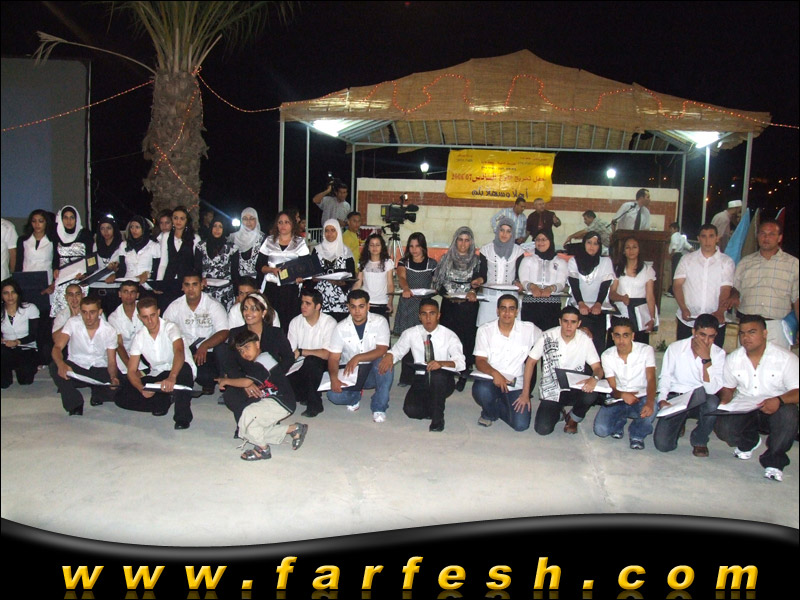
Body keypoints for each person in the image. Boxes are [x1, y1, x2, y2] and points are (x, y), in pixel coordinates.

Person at [714, 314, 798, 482]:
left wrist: (779, 401)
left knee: (789, 415)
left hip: (776, 407)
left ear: (765, 333)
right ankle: (749, 441)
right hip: (746, 408)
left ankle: (774, 461)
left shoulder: (785, 358)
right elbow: (728, 389)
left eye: (752, 332)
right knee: (723, 427)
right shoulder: (733, 359)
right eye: (742, 333)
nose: (746, 337)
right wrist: (723, 405)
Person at [217, 329, 306, 461]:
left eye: (247, 347)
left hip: (281, 401)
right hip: (272, 399)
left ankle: (262, 450)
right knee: (247, 426)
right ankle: (293, 429)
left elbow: (247, 382)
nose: (244, 353)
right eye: (241, 351)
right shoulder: (258, 361)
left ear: (257, 344)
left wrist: (226, 381)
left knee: (248, 415)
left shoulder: (264, 360)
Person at [378, 298, 464, 432]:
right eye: (424, 314)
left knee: (437, 376)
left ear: (439, 315)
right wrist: (389, 355)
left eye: (432, 314)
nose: (428, 318)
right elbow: (397, 351)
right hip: (421, 378)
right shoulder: (411, 333)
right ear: (419, 316)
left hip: (443, 380)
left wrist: (440, 363)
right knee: (411, 410)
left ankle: (438, 419)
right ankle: (434, 404)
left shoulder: (449, 335)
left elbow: (460, 363)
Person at [115, 296, 196, 429]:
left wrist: (172, 377)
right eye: (145, 317)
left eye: (152, 315)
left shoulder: (170, 327)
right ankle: (163, 400)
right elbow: (131, 370)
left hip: (177, 369)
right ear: (139, 317)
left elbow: (179, 352)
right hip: (157, 374)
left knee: (184, 371)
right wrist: (142, 389)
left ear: (158, 312)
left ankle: (182, 418)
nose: (150, 320)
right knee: (121, 396)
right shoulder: (139, 337)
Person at [521, 306, 603, 436]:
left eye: (573, 322)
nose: (569, 326)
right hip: (552, 390)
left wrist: (595, 378)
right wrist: (525, 393)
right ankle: (559, 413)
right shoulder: (547, 336)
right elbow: (530, 362)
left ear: (579, 323)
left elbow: (598, 368)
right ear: (560, 321)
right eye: (565, 321)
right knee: (542, 429)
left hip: (576, 389)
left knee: (592, 393)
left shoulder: (585, 339)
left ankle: (574, 418)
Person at [653, 313, 726, 457]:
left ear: (716, 335)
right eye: (702, 335)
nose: (706, 341)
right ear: (694, 332)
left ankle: (700, 439)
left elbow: (711, 389)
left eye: (711, 336)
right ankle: (680, 422)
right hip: (677, 397)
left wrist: (706, 360)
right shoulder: (675, 348)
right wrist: (662, 399)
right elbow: (666, 376)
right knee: (663, 445)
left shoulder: (719, 354)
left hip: (701, 398)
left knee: (713, 403)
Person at [473, 295, 540, 432]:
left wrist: (580, 331)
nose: (507, 313)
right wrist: (495, 373)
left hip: (515, 383)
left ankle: (499, 405)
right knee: (481, 391)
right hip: (491, 380)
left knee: (521, 425)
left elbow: (550, 337)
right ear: (497, 311)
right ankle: (489, 413)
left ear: (517, 311)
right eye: (503, 308)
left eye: (511, 309)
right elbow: (479, 361)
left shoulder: (529, 329)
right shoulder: (485, 330)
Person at [728, 219, 799, 349]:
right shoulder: (745, 262)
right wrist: (734, 294)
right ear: (757, 236)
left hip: (777, 327)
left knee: (778, 362)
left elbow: (797, 300)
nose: (766, 238)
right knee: (744, 361)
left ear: (779, 238)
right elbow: (735, 289)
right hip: (748, 326)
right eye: (762, 233)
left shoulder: (793, 264)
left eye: (771, 234)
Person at [326, 290, 392, 422]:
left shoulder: (380, 321)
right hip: (351, 373)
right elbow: (333, 358)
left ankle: (379, 407)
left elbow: (382, 349)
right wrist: (333, 378)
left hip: (373, 371)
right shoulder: (340, 327)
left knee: (385, 361)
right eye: (353, 307)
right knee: (333, 396)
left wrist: (358, 357)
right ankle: (355, 396)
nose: (357, 311)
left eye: (361, 306)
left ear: (368, 306)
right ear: (348, 307)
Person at [433, 226, 486, 390]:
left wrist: (473, 290)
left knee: (467, 340)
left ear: (471, 242)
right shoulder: (446, 258)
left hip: (468, 307)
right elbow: (437, 282)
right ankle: (447, 372)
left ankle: (463, 373)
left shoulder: (477, 261)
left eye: (467, 240)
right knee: (448, 339)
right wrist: (448, 293)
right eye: (460, 240)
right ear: (455, 241)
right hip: (450, 306)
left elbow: (481, 280)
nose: (463, 244)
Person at [49, 295, 120, 415]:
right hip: (76, 366)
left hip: (99, 367)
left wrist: (113, 377)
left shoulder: (109, 331)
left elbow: (112, 361)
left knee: (120, 386)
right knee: (54, 366)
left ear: (99, 312)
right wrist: (61, 364)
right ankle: (75, 404)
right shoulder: (72, 323)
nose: (88, 317)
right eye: (84, 312)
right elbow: (57, 348)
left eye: (92, 312)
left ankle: (98, 392)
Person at [593, 317, 657, 449]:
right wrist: (623, 395)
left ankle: (637, 434)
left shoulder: (646, 350)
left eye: (625, 335)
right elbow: (613, 388)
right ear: (612, 336)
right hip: (618, 398)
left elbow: (651, 379)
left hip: (641, 396)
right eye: (617, 335)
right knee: (600, 430)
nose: (621, 340)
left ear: (633, 336)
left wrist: (650, 402)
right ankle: (619, 422)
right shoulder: (607, 355)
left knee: (653, 409)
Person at [163, 272, 229, 395]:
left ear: (202, 285)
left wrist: (205, 345)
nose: (191, 289)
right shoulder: (175, 306)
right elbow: (164, 329)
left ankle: (210, 381)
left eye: (194, 284)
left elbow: (224, 331)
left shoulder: (213, 305)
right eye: (187, 285)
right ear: (182, 287)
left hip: (207, 351)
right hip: (184, 350)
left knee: (207, 376)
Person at [672, 224, 735, 347]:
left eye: (711, 236)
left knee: (713, 357)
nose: (707, 241)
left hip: (715, 321)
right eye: (703, 236)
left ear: (717, 238)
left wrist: (720, 311)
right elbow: (677, 285)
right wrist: (683, 308)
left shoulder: (726, 262)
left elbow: (726, 288)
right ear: (698, 238)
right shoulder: (686, 259)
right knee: (683, 356)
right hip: (688, 321)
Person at [393, 232, 438, 386]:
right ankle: (405, 377)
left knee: (424, 341)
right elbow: (402, 277)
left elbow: (436, 282)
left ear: (423, 247)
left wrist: (435, 289)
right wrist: (406, 289)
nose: (414, 249)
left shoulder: (432, 264)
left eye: (417, 246)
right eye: (411, 246)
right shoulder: (403, 261)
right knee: (407, 340)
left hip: (424, 307)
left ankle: (423, 375)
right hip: (408, 304)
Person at [286, 289, 337, 418]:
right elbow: (290, 352)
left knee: (312, 362)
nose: (303, 306)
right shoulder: (295, 322)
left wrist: (302, 351)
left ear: (318, 306)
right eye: (302, 302)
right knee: (288, 387)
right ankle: (305, 395)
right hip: (300, 364)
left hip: (323, 363)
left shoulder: (329, 322)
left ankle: (315, 405)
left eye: (307, 303)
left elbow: (328, 354)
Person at [220, 291, 294, 380]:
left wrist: (275, 375)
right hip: (243, 380)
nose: (248, 313)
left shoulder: (275, 333)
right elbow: (230, 363)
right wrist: (245, 382)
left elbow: (289, 357)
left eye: (253, 309)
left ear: (263, 312)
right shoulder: (235, 333)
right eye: (245, 308)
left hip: (270, 380)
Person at [256, 210, 308, 332]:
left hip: (290, 289)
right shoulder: (269, 241)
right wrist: (271, 269)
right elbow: (259, 266)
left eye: (286, 222)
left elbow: (306, 267)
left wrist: (302, 277)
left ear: (292, 224)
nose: (283, 225)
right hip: (272, 288)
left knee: (288, 324)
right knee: (270, 322)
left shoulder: (300, 242)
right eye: (280, 222)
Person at [567, 231, 614, 356]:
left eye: (595, 243)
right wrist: (581, 303)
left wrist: (598, 304)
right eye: (589, 242)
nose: (592, 246)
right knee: (578, 347)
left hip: (599, 309)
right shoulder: (574, 261)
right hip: (578, 307)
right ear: (584, 244)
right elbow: (574, 284)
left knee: (597, 347)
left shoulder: (605, 262)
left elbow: (605, 285)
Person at [516, 229, 568, 333]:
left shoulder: (560, 262)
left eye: (544, 239)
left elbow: (561, 283)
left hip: (552, 307)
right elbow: (524, 279)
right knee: (530, 336)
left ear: (550, 241)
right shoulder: (527, 260)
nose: (540, 242)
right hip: (531, 305)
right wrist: (532, 287)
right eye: (537, 240)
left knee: (549, 337)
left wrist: (550, 288)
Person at [608, 236, 657, 344]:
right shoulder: (617, 269)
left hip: (640, 316)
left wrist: (652, 318)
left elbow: (650, 296)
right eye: (628, 247)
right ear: (624, 251)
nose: (631, 250)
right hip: (621, 313)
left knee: (639, 346)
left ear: (639, 250)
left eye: (634, 247)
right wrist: (621, 298)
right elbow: (612, 293)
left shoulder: (647, 269)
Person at [477, 218, 524, 327]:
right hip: (489, 299)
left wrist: (518, 282)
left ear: (512, 233)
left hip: (510, 300)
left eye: (508, 231)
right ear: (497, 231)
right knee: (486, 330)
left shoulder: (518, 251)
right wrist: (479, 280)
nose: (504, 234)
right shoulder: (486, 250)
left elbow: (518, 275)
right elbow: (483, 273)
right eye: (502, 230)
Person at [50, 205, 93, 318]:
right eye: (65, 217)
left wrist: (86, 274)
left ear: (76, 219)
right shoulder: (56, 234)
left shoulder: (85, 234)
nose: (68, 221)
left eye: (72, 218)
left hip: (80, 278)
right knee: (62, 313)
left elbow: (90, 258)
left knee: (82, 313)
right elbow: (55, 256)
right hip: (63, 278)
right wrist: (55, 268)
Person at [14, 209, 56, 325]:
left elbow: (57, 264)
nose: (37, 224)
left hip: (46, 285)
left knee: (44, 320)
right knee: (27, 319)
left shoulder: (53, 241)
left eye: (41, 221)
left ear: (46, 222)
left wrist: (53, 283)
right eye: (34, 221)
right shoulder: (23, 240)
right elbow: (19, 264)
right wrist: (17, 285)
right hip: (26, 285)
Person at [155, 206, 201, 310]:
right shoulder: (166, 236)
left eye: (182, 218)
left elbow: (197, 264)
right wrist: (159, 283)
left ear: (186, 220)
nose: (178, 221)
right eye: (175, 218)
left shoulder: (195, 238)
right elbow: (163, 262)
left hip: (186, 283)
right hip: (169, 280)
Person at [310, 219, 356, 321]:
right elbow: (311, 272)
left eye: (333, 230)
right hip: (321, 298)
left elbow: (352, 275)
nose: (329, 234)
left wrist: (342, 283)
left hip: (340, 299)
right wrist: (314, 278)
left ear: (338, 232)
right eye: (327, 230)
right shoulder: (317, 250)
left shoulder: (345, 251)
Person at [1, 278, 40, 388]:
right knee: (4, 384)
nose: (10, 296)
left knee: (25, 381)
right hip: (6, 347)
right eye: (6, 293)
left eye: (13, 292)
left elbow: (34, 335)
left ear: (18, 293)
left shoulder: (30, 308)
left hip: (26, 346)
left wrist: (17, 342)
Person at [194, 215, 236, 309]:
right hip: (205, 290)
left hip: (225, 292)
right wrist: (199, 280)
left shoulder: (232, 248)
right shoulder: (201, 246)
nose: (217, 229)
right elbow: (197, 268)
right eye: (215, 226)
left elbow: (235, 273)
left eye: (220, 227)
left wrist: (237, 294)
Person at [352, 233, 394, 319]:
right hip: (366, 303)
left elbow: (390, 284)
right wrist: (350, 298)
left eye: (377, 245)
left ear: (382, 247)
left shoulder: (388, 263)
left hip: (382, 303)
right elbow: (358, 283)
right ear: (368, 247)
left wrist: (390, 302)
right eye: (372, 245)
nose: (374, 248)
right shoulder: (363, 262)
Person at [106, 280, 142, 375]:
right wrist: (132, 368)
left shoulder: (144, 308)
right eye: (125, 292)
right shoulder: (113, 318)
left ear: (137, 295)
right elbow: (119, 344)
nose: (129, 295)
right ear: (119, 294)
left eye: (132, 292)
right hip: (124, 358)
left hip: (145, 355)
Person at [117, 216, 160, 284]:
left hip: (146, 284)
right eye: (131, 227)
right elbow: (122, 269)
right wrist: (114, 275)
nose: (134, 230)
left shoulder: (154, 246)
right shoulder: (124, 245)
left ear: (143, 228)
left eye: (137, 227)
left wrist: (147, 275)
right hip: (128, 283)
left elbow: (157, 270)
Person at [229, 207, 266, 287]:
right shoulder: (233, 238)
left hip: (257, 284)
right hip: (238, 283)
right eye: (245, 218)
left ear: (256, 220)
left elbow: (263, 263)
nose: (248, 222)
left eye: (252, 218)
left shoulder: (263, 239)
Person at [666, 221, 692, 296]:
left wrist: (671, 255)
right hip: (680, 255)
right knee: (677, 273)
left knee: (674, 273)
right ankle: (675, 291)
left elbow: (674, 245)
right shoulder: (682, 237)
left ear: (676, 229)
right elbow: (688, 246)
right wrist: (695, 252)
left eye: (671, 228)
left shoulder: (674, 236)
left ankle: (673, 292)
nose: (670, 230)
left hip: (675, 255)